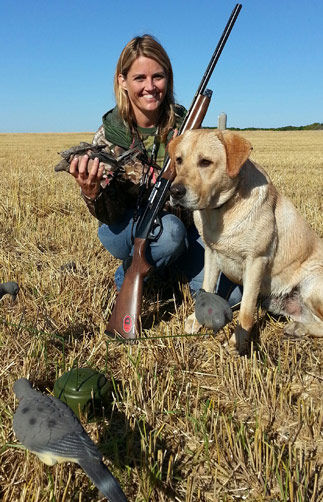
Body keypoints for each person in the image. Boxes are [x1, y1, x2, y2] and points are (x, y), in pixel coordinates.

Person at [69, 34, 242, 306]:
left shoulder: (186, 128)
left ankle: (170, 270)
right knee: (170, 233)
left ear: (168, 79)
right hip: (125, 228)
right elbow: (108, 215)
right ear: (122, 81)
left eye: (158, 77)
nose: (150, 86)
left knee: (233, 297)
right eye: (140, 78)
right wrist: (91, 192)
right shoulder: (108, 134)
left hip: (186, 229)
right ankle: (127, 277)